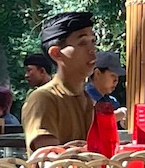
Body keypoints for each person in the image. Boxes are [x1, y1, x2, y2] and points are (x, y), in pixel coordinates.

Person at [20, 11, 96, 151]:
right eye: (82, 43)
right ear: (56, 53)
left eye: (93, 41)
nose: (92, 50)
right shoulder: (43, 98)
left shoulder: (88, 99)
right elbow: (51, 162)